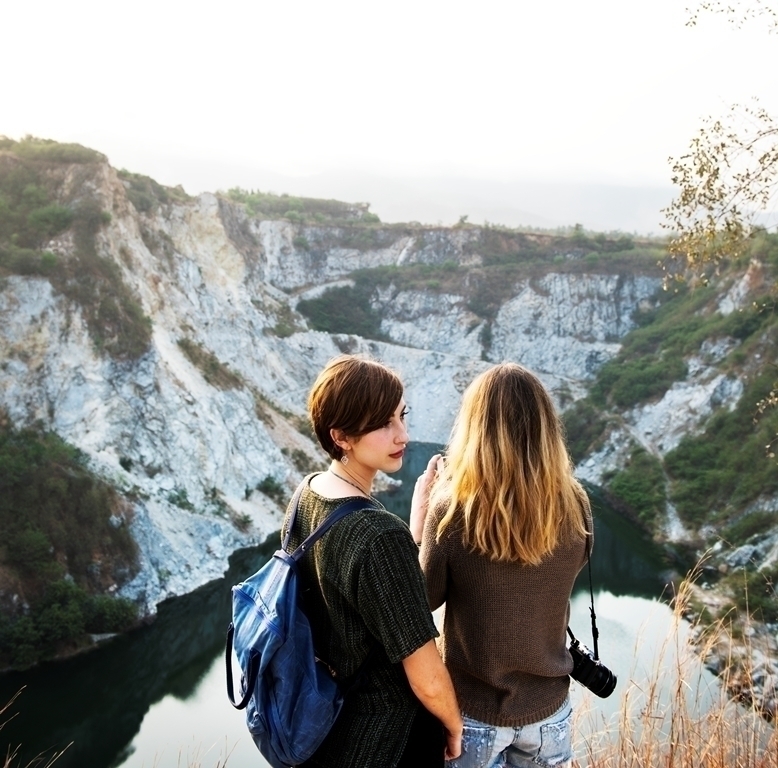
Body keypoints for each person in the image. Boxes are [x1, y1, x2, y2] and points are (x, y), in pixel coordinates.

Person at [283, 354, 463, 768]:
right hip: (389, 740)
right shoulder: (378, 535)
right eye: (383, 424)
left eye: (401, 416)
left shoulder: (306, 495)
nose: (402, 434)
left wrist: (414, 527)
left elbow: (369, 597)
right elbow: (425, 672)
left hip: (326, 726)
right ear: (341, 435)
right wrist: (453, 725)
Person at [410, 363, 591, 768]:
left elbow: (422, 599)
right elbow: (575, 562)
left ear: (474, 429)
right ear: (546, 427)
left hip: (472, 713)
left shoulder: (452, 510)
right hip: (550, 713)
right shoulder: (575, 502)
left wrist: (419, 527)